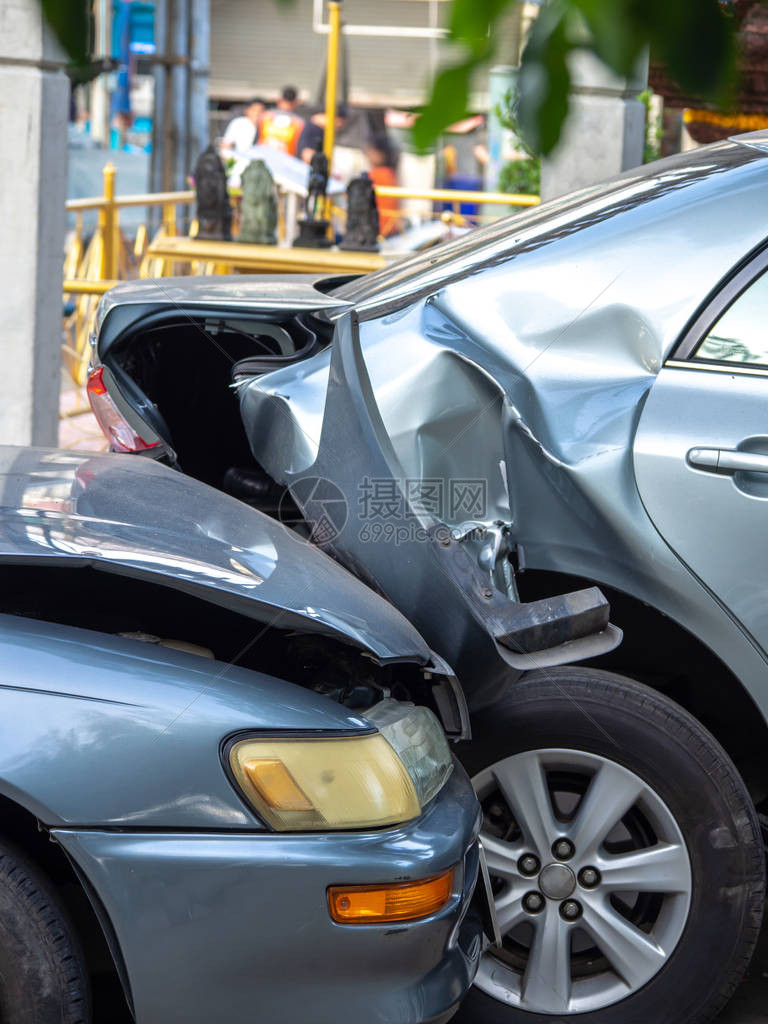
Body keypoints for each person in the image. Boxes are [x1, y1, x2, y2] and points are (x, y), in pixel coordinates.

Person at [366, 133, 401, 237]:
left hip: (378, 230)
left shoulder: (376, 175)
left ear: (380, 154)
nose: (368, 154)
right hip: (390, 229)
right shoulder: (390, 174)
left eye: (371, 151)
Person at [259, 86, 305, 156]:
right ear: (296, 102)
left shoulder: (265, 116)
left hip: (263, 158)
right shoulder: (299, 123)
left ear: (279, 100)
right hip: (287, 161)